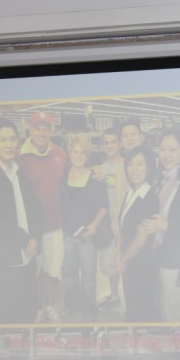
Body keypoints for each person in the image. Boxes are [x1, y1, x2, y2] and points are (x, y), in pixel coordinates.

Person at [0, 118, 42, 324]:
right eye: (3, 140)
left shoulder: (19, 173)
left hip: (28, 259)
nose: (9, 144)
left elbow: (34, 209)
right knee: (9, 318)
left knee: (29, 312)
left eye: (13, 139)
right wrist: (25, 239)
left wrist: (35, 237)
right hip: (5, 262)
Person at [142, 128, 180, 322]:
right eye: (163, 149)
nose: (166, 155)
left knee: (176, 309)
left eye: (173, 149)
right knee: (164, 304)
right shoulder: (161, 178)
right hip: (159, 250)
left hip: (176, 256)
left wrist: (166, 226)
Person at [16, 111, 67, 323]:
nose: (42, 133)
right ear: (30, 130)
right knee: (34, 271)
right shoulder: (20, 156)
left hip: (56, 224)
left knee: (52, 270)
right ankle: (37, 308)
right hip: (31, 228)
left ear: (51, 131)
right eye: (38, 128)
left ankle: (50, 307)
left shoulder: (60, 154)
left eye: (46, 128)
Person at [60, 133, 109, 322]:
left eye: (82, 152)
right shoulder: (63, 175)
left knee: (89, 276)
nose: (78, 155)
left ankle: (89, 308)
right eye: (75, 152)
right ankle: (72, 304)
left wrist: (95, 224)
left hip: (88, 236)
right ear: (69, 153)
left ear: (87, 155)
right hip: (68, 235)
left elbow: (104, 205)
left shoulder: (95, 177)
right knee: (69, 274)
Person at [117, 145, 160, 322]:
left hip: (141, 264)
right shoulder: (131, 191)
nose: (134, 169)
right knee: (131, 306)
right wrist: (119, 254)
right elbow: (122, 227)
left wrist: (123, 259)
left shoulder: (149, 197)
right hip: (130, 261)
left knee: (141, 311)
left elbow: (141, 238)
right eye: (131, 164)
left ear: (148, 167)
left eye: (140, 164)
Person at [95, 128, 127, 310]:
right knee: (109, 261)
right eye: (106, 142)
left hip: (124, 223)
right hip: (107, 225)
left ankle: (130, 296)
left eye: (113, 141)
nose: (110, 145)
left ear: (120, 143)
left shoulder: (127, 166)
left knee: (125, 259)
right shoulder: (100, 169)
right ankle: (114, 295)